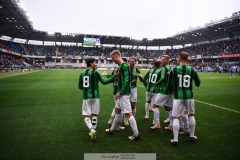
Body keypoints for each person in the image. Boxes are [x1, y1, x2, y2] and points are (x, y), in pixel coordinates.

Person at [105, 50, 140, 141]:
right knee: (117, 111)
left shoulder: (124, 65)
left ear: (117, 56)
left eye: (113, 58)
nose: (113, 60)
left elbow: (127, 80)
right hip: (121, 94)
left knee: (128, 113)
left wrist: (121, 92)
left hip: (123, 94)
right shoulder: (122, 66)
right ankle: (112, 129)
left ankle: (136, 135)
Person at [168, 52, 201, 146]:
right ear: (187, 59)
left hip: (178, 97)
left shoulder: (174, 70)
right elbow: (198, 83)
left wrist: (171, 92)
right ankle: (192, 136)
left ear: (179, 58)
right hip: (189, 96)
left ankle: (175, 140)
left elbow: (170, 84)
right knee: (191, 115)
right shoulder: (192, 70)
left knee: (176, 117)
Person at [78, 58, 114, 142]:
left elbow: (80, 86)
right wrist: (113, 77)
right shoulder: (96, 72)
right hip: (96, 96)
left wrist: (87, 89)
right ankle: (94, 130)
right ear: (91, 63)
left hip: (86, 97)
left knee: (86, 115)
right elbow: (104, 82)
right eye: (95, 63)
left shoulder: (82, 73)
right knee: (94, 115)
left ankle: (92, 130)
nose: (96, 64)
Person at [151, 55, 173, 130]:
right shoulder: (171, 67)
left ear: (167, 60)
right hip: (170, 91)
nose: (161, 61)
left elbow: (163, 78)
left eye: (163, 60)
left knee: (155, 106)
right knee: (170, 108)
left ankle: (157, 124)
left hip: (164, 90)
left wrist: (156, 84)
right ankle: (172, 126)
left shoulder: (164, 68)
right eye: (161, 60)